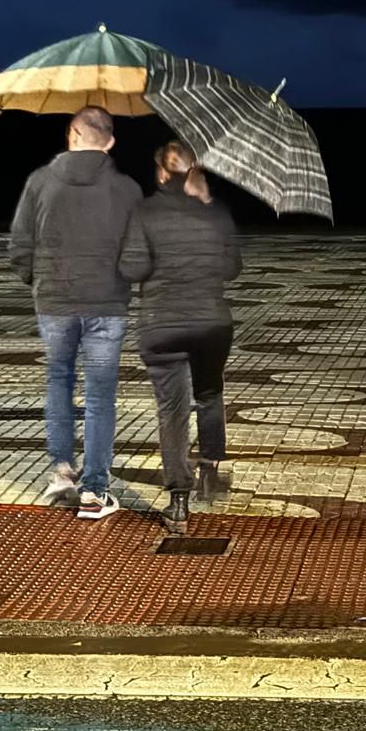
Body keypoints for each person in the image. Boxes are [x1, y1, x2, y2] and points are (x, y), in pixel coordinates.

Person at [9, 106, 142, 519]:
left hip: (54, 303)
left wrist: (40, 280)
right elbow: (138, 256)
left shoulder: (40, 182)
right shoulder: (128, 189)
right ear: (111, 141)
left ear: (72, 134)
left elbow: (19, 246)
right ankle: (95, 491)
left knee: (58, 383)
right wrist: (122, 280)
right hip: (106, 304)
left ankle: (62, 471)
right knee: (101, 396)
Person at [119, 141, 243, 533]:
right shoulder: (217, 213)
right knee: (209, 392)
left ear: (160, 173)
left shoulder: (143, 211)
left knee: (171, 410)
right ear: (193, 171)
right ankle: (211, 466)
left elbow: (132, 268)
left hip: (163, 326)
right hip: (211, 323)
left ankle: (178, 500)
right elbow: (231, 269)